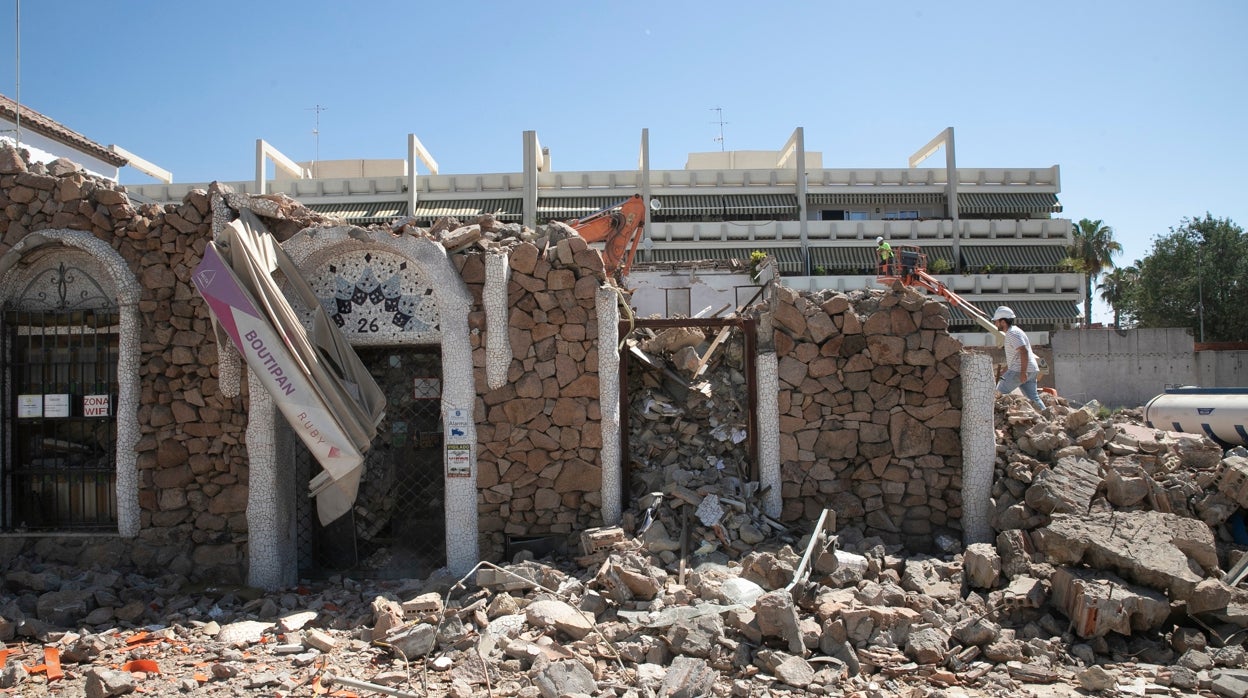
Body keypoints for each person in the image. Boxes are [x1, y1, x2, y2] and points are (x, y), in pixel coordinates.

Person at [992, 306, 1049, 415]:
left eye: (996, 322)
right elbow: (1018, 354)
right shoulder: (1017, 331)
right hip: (1031, 370)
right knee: (1033, 398)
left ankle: (995, 421)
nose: (995, 324)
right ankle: (1047, 417)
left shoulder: (1011, 333)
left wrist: (1022, 373)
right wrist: (1006, 370)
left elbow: (1023, 351)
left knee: (998, 394)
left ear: (1003, 322)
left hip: (1019, 371)